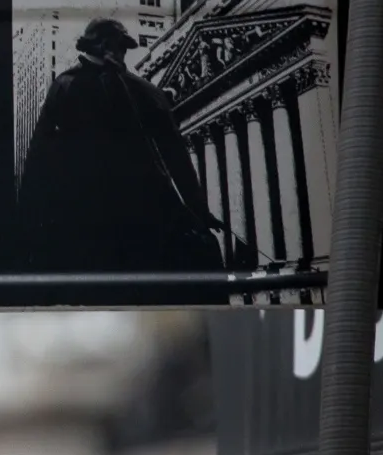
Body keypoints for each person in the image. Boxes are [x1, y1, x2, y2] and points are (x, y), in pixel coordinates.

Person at [16, 17, 226, 273]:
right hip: (129, 217)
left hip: (100, 220)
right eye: (121, 47)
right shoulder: (139, 90)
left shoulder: (70, 85)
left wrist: (29, 222)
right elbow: (177, 158)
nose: (122, 53)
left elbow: (39, 161)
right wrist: (198, 210)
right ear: (106, 46)